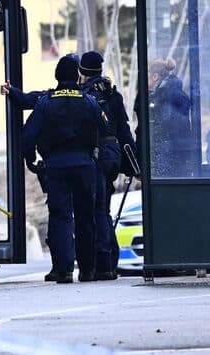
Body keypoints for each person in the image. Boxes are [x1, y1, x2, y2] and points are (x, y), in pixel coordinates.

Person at [22, 56, 106, 283]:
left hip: (56, 166)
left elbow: (28, 136)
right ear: (77, 76)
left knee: (60, 217)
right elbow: (105, 127)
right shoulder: (88, 100)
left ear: (57, 77)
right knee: (86, 218)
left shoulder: (45, 103)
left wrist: (32, 160)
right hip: (85, 166)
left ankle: (63, 270)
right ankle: (88, 270)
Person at [78, 50, 136, 281]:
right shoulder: (113, 95)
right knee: (105, 210)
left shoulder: (84, 95)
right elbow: (124, 132)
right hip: (112, 155)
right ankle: (110, 261)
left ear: (82, 72)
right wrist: (134, 165)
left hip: (95, 155)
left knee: (97, 210)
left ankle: (102, 263)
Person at [147, 58, 194, 177]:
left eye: (148, 76)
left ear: (155, 76)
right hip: (181, 155)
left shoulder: (163, 97)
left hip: (168, 156)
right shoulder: (175, 93)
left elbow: (164, 127)